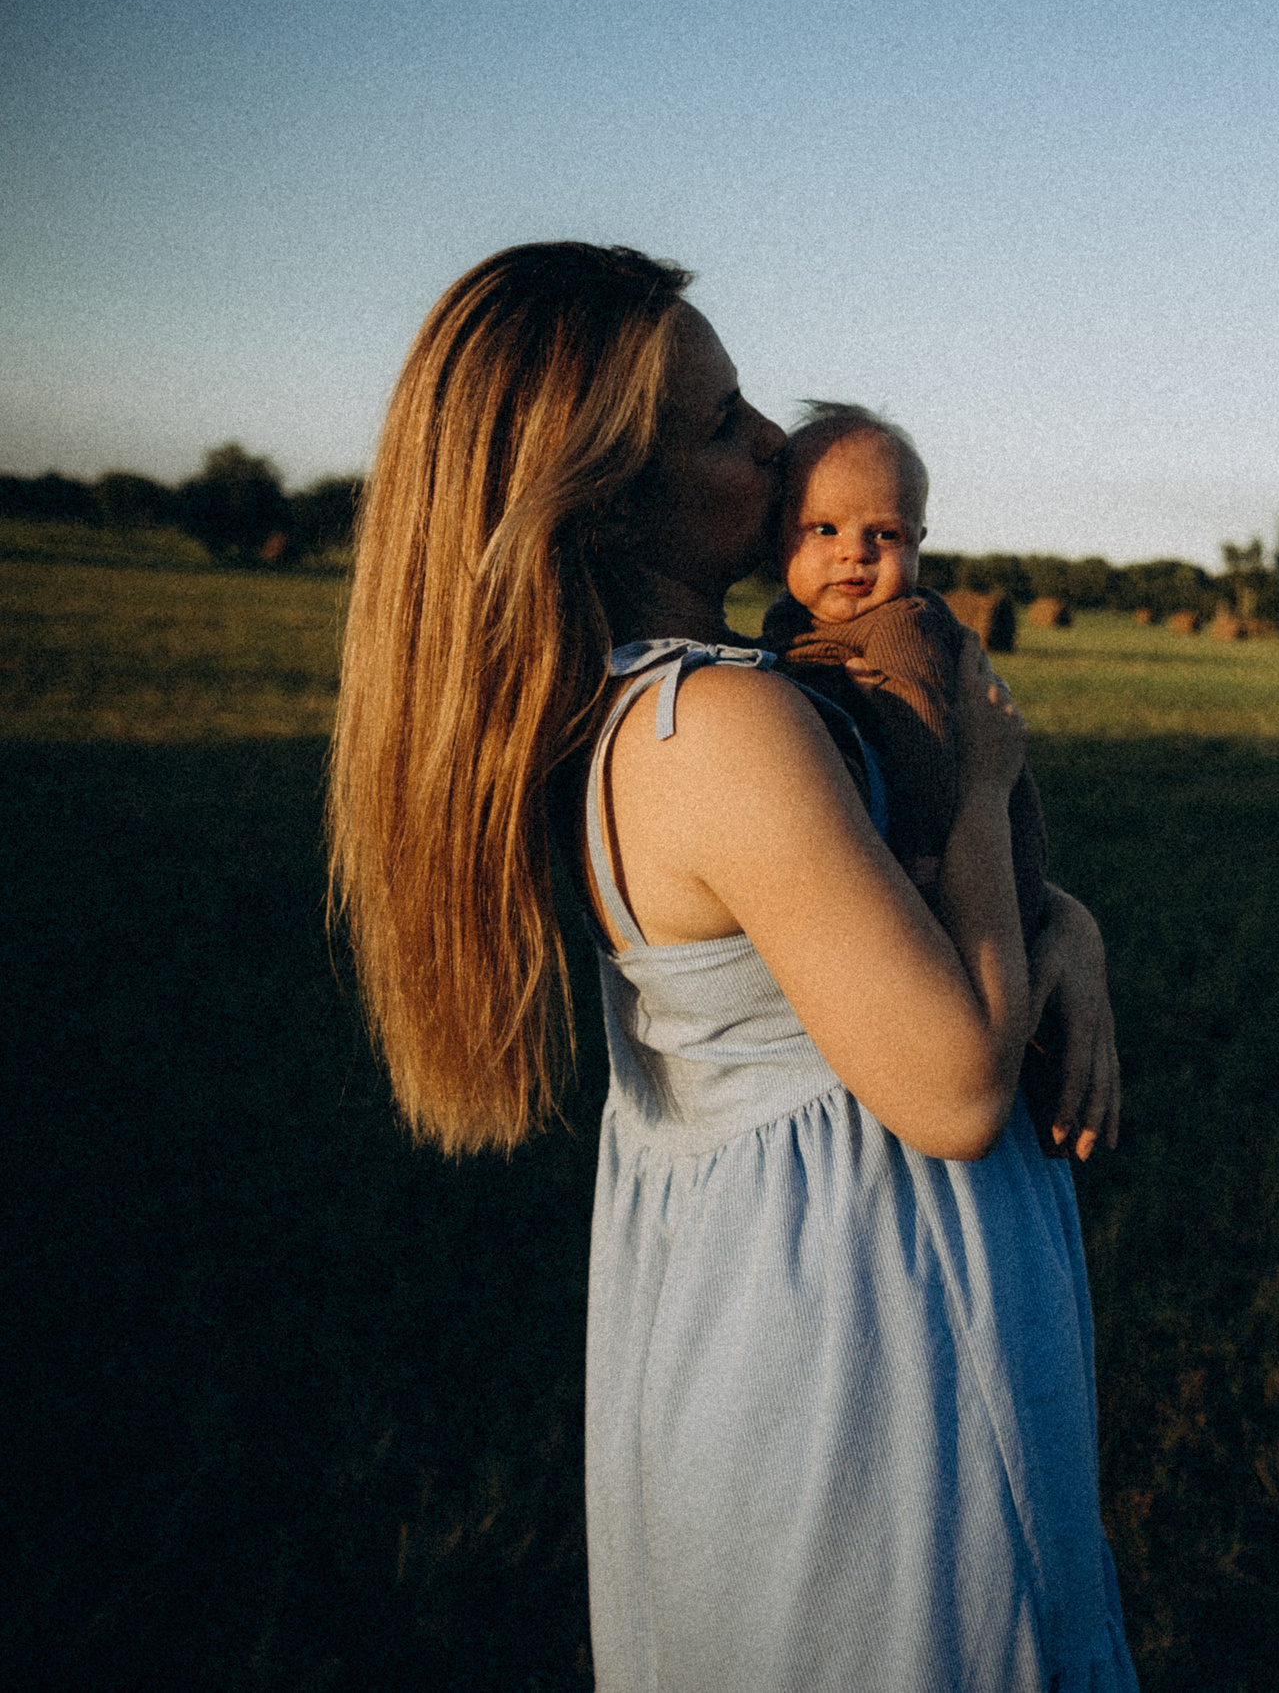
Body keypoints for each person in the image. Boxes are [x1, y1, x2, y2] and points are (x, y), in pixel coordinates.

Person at [326, 241, 1135, 1691]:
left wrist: (1063, 919)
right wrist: (980, 784)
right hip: (868, 1306)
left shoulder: (649, 710)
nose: (773, 444)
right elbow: (953, 1085)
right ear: (602, 498)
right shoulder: (724, 727)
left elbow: (893, 919)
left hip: (765, 1272)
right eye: (719, 424)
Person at [756, 406, 1081, 1144]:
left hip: (957, 849)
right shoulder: (793, 627)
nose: (854, 556)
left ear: (920, 543)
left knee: (973, 992)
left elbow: (925, 743)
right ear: (781, 533)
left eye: (885, 535)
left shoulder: (904, 628)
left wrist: (926, 841)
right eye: (824, 530)